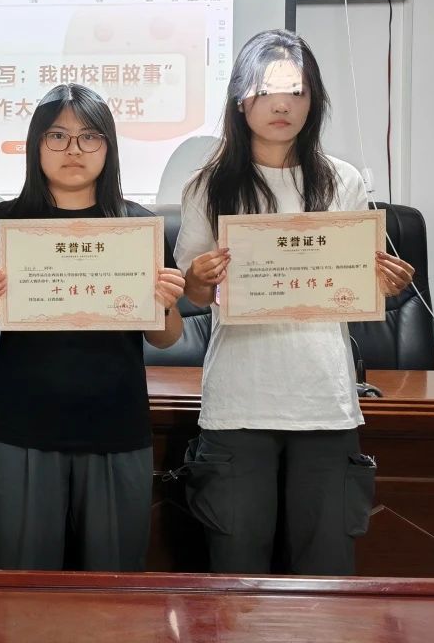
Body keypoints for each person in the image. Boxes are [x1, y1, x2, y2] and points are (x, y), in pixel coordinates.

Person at [176, 28, 414, 575]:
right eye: (265, 91)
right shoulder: (208, 185)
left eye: (297, 91)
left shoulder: (341, 180)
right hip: (238, 401)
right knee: (237, 575)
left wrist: (384, 283)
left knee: (325, 573)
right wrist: (200, 278)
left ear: (314, 100)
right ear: (241, 100)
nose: (282, 105)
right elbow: (193, 294)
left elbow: (356, 285)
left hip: (324, 399)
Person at [0, 84, 185, 571]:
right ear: (36, 144)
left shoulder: (138, 227)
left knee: (113, 588)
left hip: (116, 423)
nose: (74, 150)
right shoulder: (1, 223)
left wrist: (165, 303)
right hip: (23, 423)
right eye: (57, 136)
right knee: (23, 583)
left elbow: (166, 338)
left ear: (109, 146)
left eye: (90, 136)